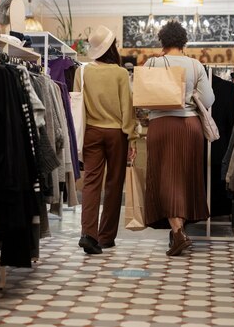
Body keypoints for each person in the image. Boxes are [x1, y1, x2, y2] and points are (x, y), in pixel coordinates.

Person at [143, 20, 215, 257]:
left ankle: (178, 234)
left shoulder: (152, 62)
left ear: (162, 42)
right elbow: (208, 100)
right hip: (189, 126)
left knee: (164, 177)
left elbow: (141, 97)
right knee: (185, 177)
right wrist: (190, 93)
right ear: (184, 42)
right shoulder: (195, 65)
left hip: (161, 125)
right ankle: (178, 233)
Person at [76, 25, 138, 255]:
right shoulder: (120, 73)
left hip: (91, 131)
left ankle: (87, 234)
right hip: (116, 133)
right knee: (113, 184)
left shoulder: (82, 72)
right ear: (111, 47)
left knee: (91, 182)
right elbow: (126, 108)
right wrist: (132, 138)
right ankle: (105, 237)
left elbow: (77, 105)